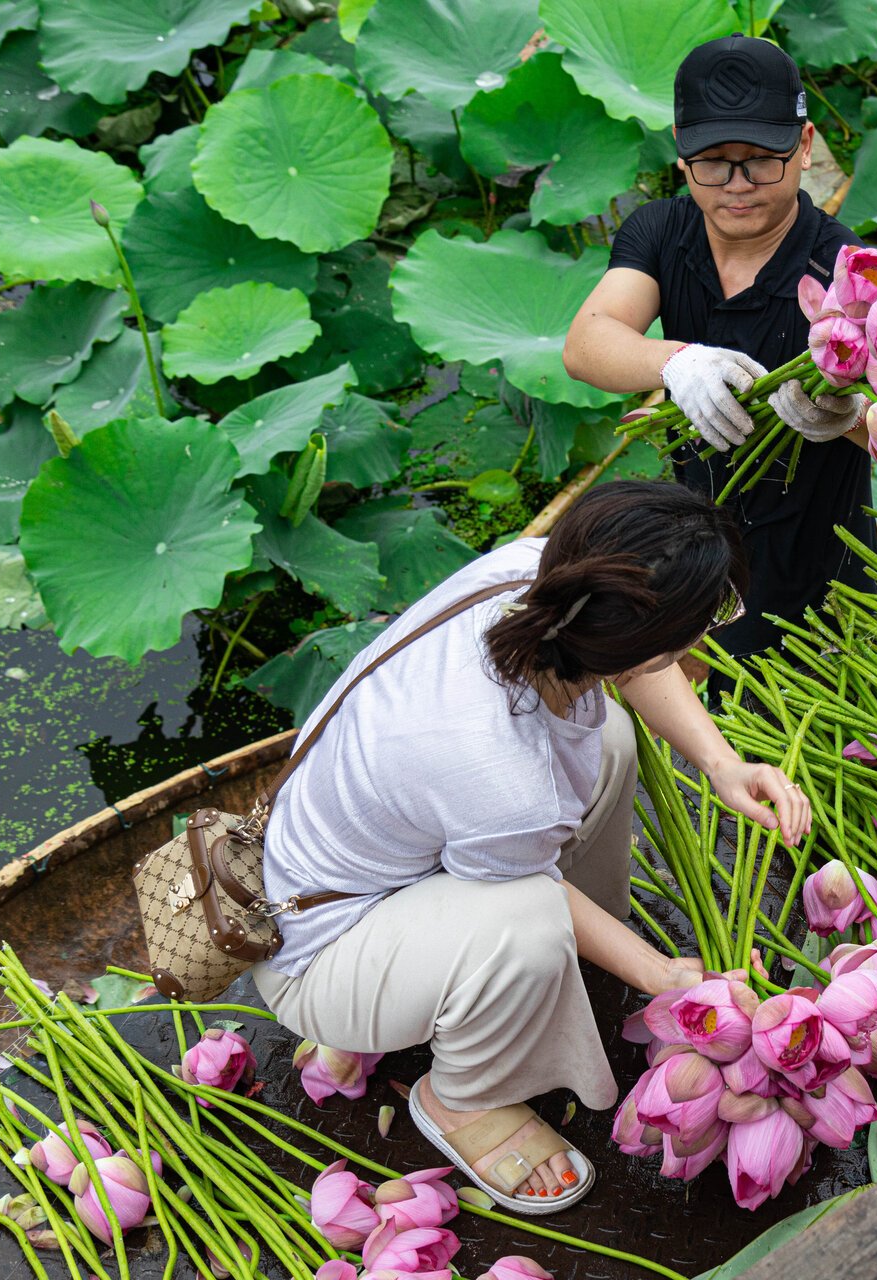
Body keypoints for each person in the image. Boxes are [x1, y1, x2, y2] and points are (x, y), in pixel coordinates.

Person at [251, 481, 811, 1214]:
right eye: (703, 626)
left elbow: (633, 657)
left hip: (369, 852)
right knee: (528, 922)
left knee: (602, 736)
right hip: (321, 945)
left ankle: (529, 973)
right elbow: (535, 892)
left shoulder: (541, 575)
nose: (706, 641)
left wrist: (723, 763)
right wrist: (667, 978)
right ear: (643, 644)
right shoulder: (498, 771)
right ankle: (463, 1098)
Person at [566, 34, 875, 696]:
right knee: (723, 708)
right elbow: (588, 344)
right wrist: (678, 362)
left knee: (824, 716)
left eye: (762, 161)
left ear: (807, 144)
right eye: (713, 162)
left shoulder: (845, 267)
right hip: (704, 539)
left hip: (821, 549)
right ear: (680, 151)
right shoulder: (660, 232)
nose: (737, 187)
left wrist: (849, 415)